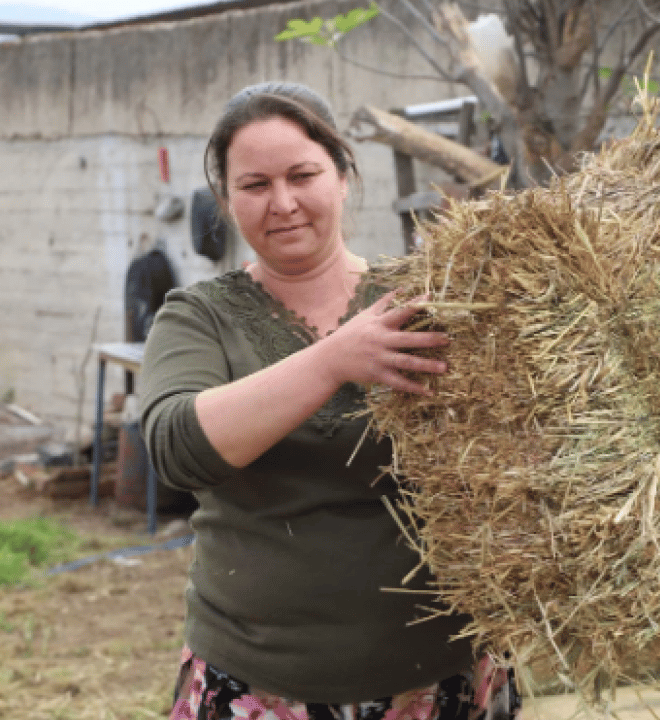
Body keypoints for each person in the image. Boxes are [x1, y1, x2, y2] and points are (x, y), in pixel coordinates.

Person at [140, 81, 520, 720]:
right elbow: (177, 452)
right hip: (262, 684)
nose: (282, 203)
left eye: (303, 175)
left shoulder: (427, 301)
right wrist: (333, 360)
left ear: (343, 178)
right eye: (255, 185)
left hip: (442, 675)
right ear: (228, 202)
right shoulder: (199, 318)